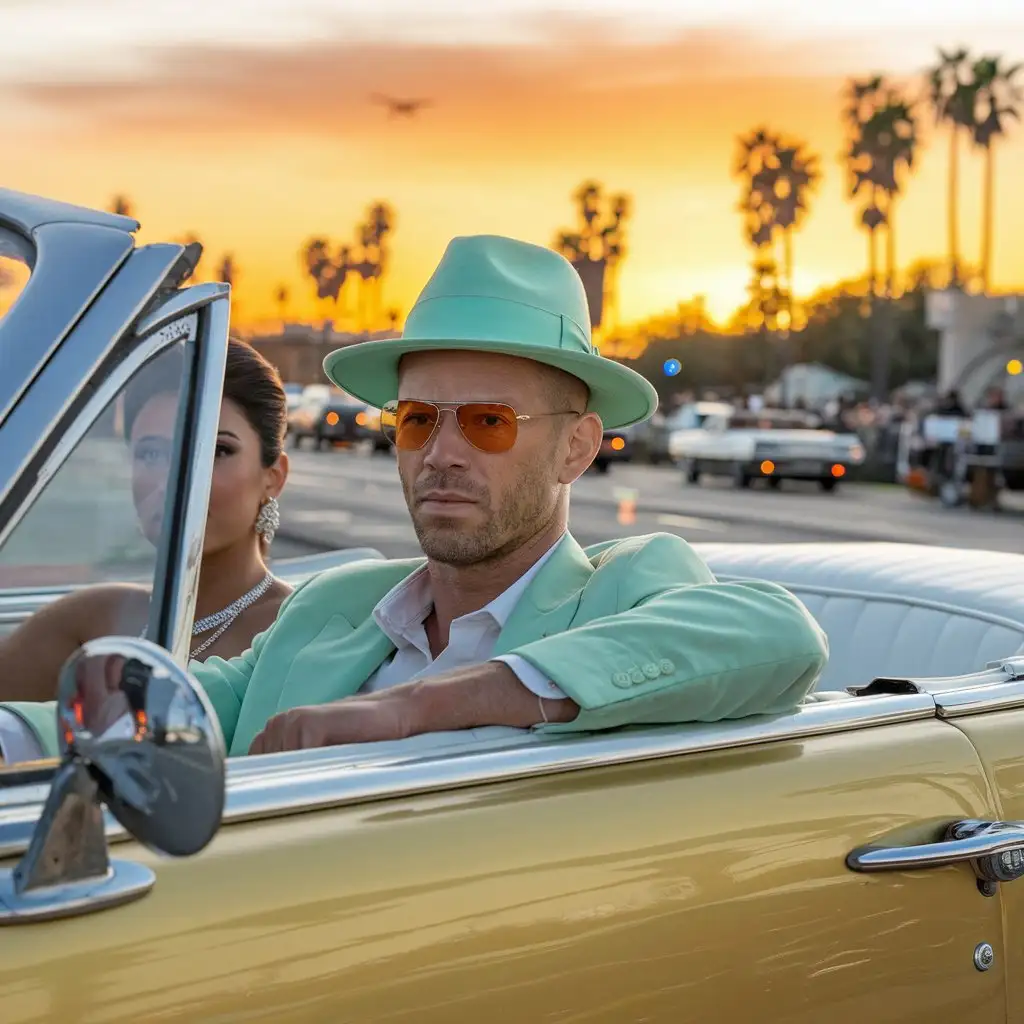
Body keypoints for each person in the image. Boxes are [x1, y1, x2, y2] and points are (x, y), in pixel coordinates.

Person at [2, 235, 828, 761]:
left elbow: (779, 636)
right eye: (418, 420)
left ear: (576, 446)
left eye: (489, 422)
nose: (441, 453)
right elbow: (178, 713)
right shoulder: (336, 604)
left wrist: (422, 705)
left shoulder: (627, 585)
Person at [0, 338, 293, 713]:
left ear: (273, 476)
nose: (176, 475)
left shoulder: (296, 628)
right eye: (153, 453)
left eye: (217, 450)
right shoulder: (90, 620)